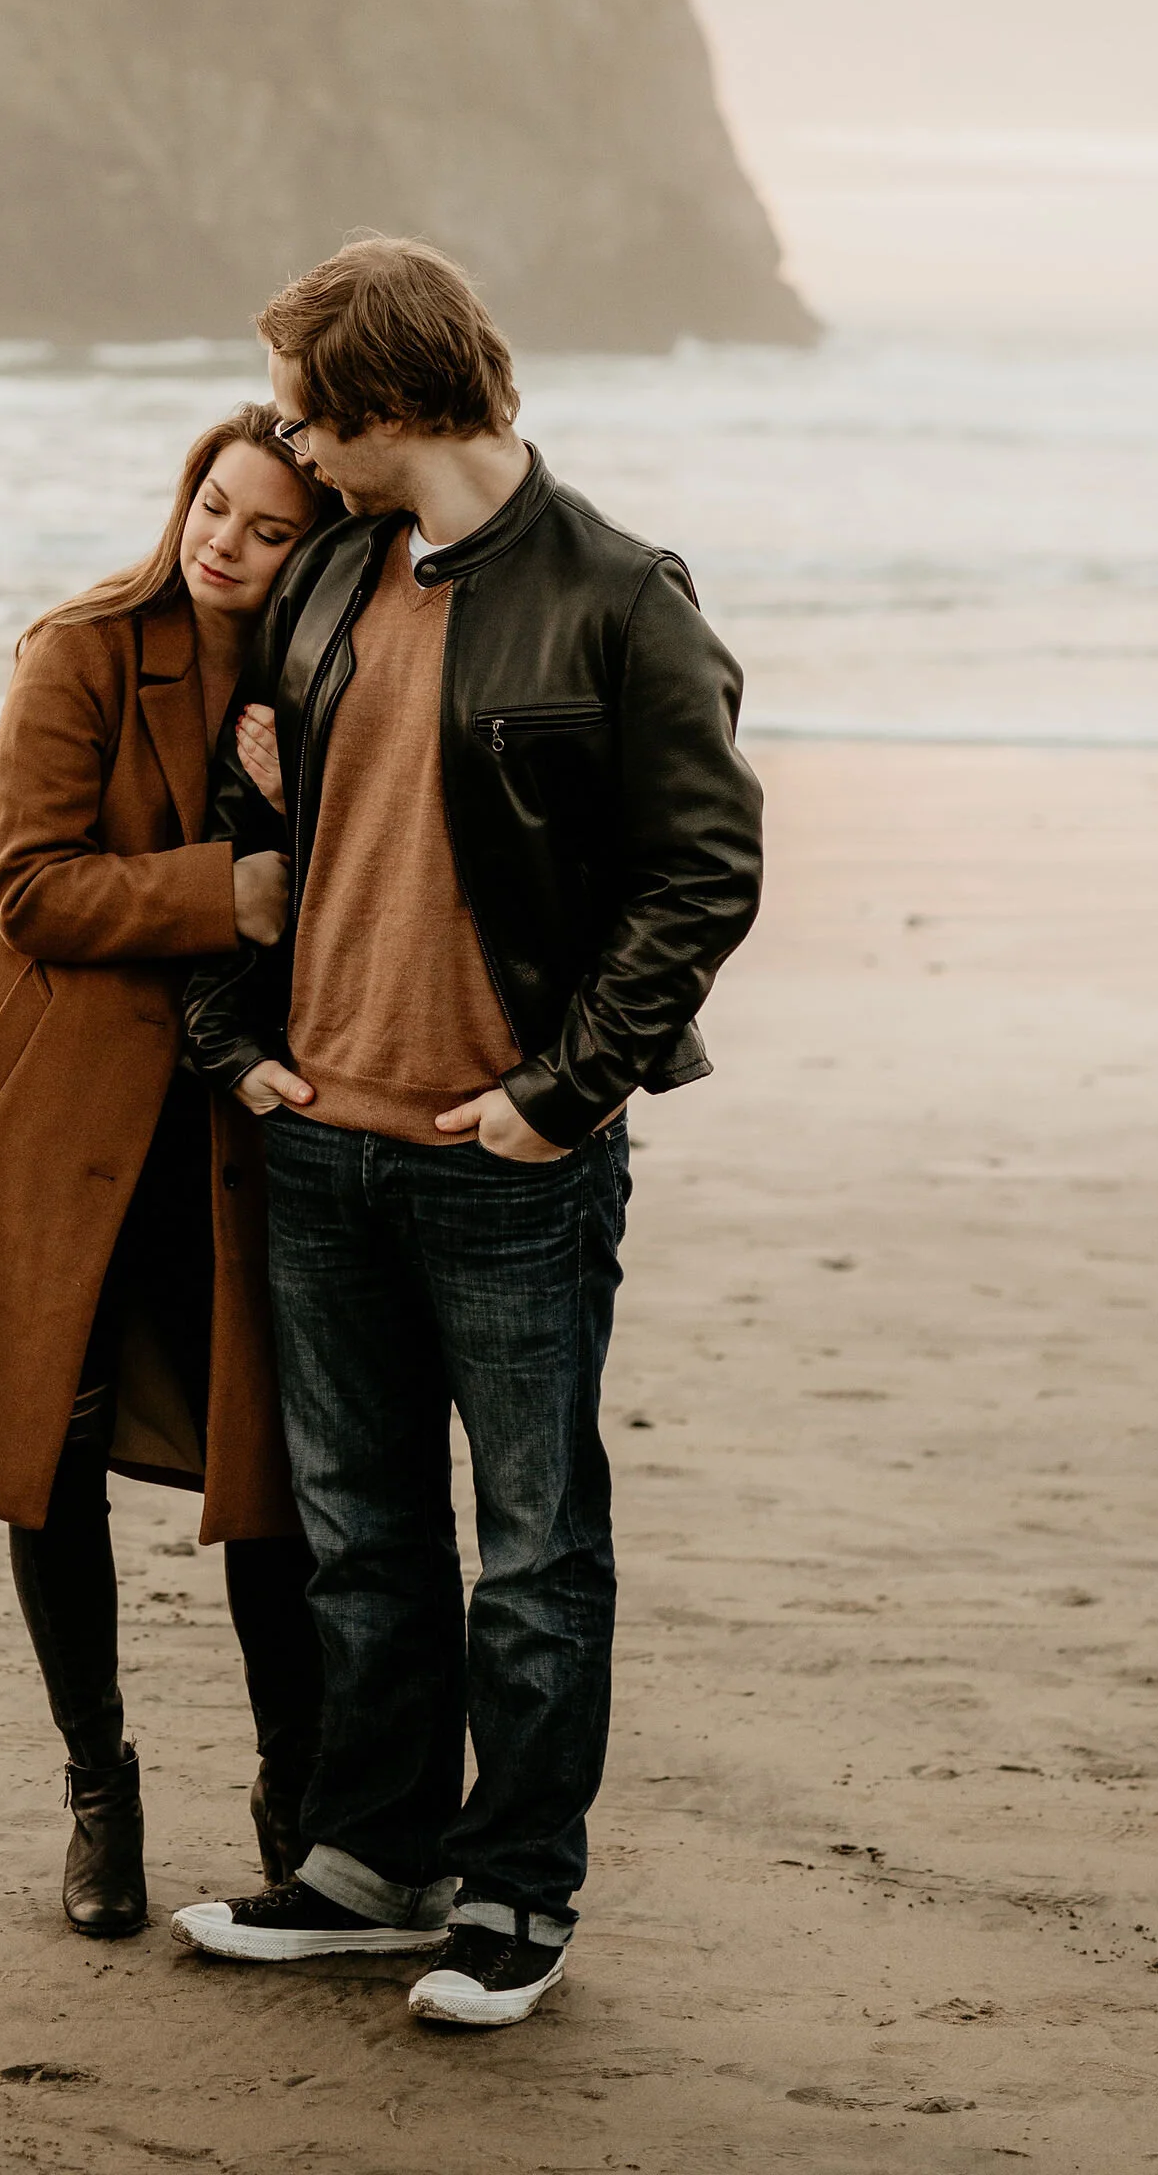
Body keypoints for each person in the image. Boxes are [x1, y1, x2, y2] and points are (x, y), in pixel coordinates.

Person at [171, 238, 762, 2031]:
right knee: (360, 1535)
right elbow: (244, 801)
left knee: (535, 1548)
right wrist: (236, 1046)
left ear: (383, 402)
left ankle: (515, 1899)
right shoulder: (337, 569)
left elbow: (705, 868)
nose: (288, 440)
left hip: (502, 1161)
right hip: (319, 1138)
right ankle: (372, 1868)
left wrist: (558, 1093)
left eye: (303, 405)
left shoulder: (617, 595)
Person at [0, 407, 330, 1938]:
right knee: (47, 1451)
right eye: (215, 504)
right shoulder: (79, 649)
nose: (226, 541)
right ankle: (98, 1794)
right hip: (60, 1115)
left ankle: (301, 1808)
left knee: (266, 1475)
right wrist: (229, 890)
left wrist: (298, 809)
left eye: (269, 529)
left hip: (233, 1133)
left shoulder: (323, 678)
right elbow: (31, 890)